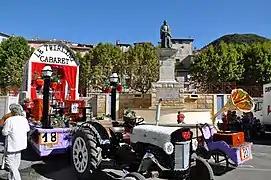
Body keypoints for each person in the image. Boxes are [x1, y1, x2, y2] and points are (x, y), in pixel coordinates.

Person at [2, 103, 30, 180]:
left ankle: (17, 178)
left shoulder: (9, 120)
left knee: (9, 163)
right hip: (21, 143)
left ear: (12, 111)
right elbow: (27, 129)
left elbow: (4, 132)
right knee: (16, 164)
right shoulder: (24, 119)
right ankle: (11, 178)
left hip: (12, 144)